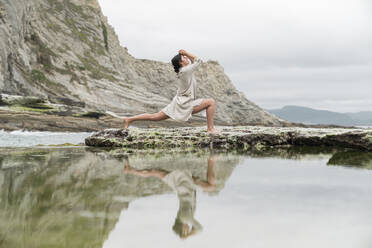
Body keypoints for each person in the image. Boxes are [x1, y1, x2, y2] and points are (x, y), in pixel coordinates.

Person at [123, 49, 219, 134]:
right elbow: (199, 61)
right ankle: (210, 128)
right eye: (184, 58)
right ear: (181, 62)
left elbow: (194, 62)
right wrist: (186, 52)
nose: (187, 58)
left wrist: (185, 55)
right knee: (210, 102)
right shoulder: (185, 71)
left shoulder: (184, 71)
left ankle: (129, 119)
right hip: (184, 104)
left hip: (180, 102)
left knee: (155, 116)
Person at [123, 155, 218, 239]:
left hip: (185, 186)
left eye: (185, 231)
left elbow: (199, 229)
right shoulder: (182, 218)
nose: (188, 230)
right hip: (184, 188)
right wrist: (186, 234)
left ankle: (211, 160)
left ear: (182, 228)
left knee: (211, 186)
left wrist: (188, 236)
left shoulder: (185, 218)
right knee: (154, 172)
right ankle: (129, 170)